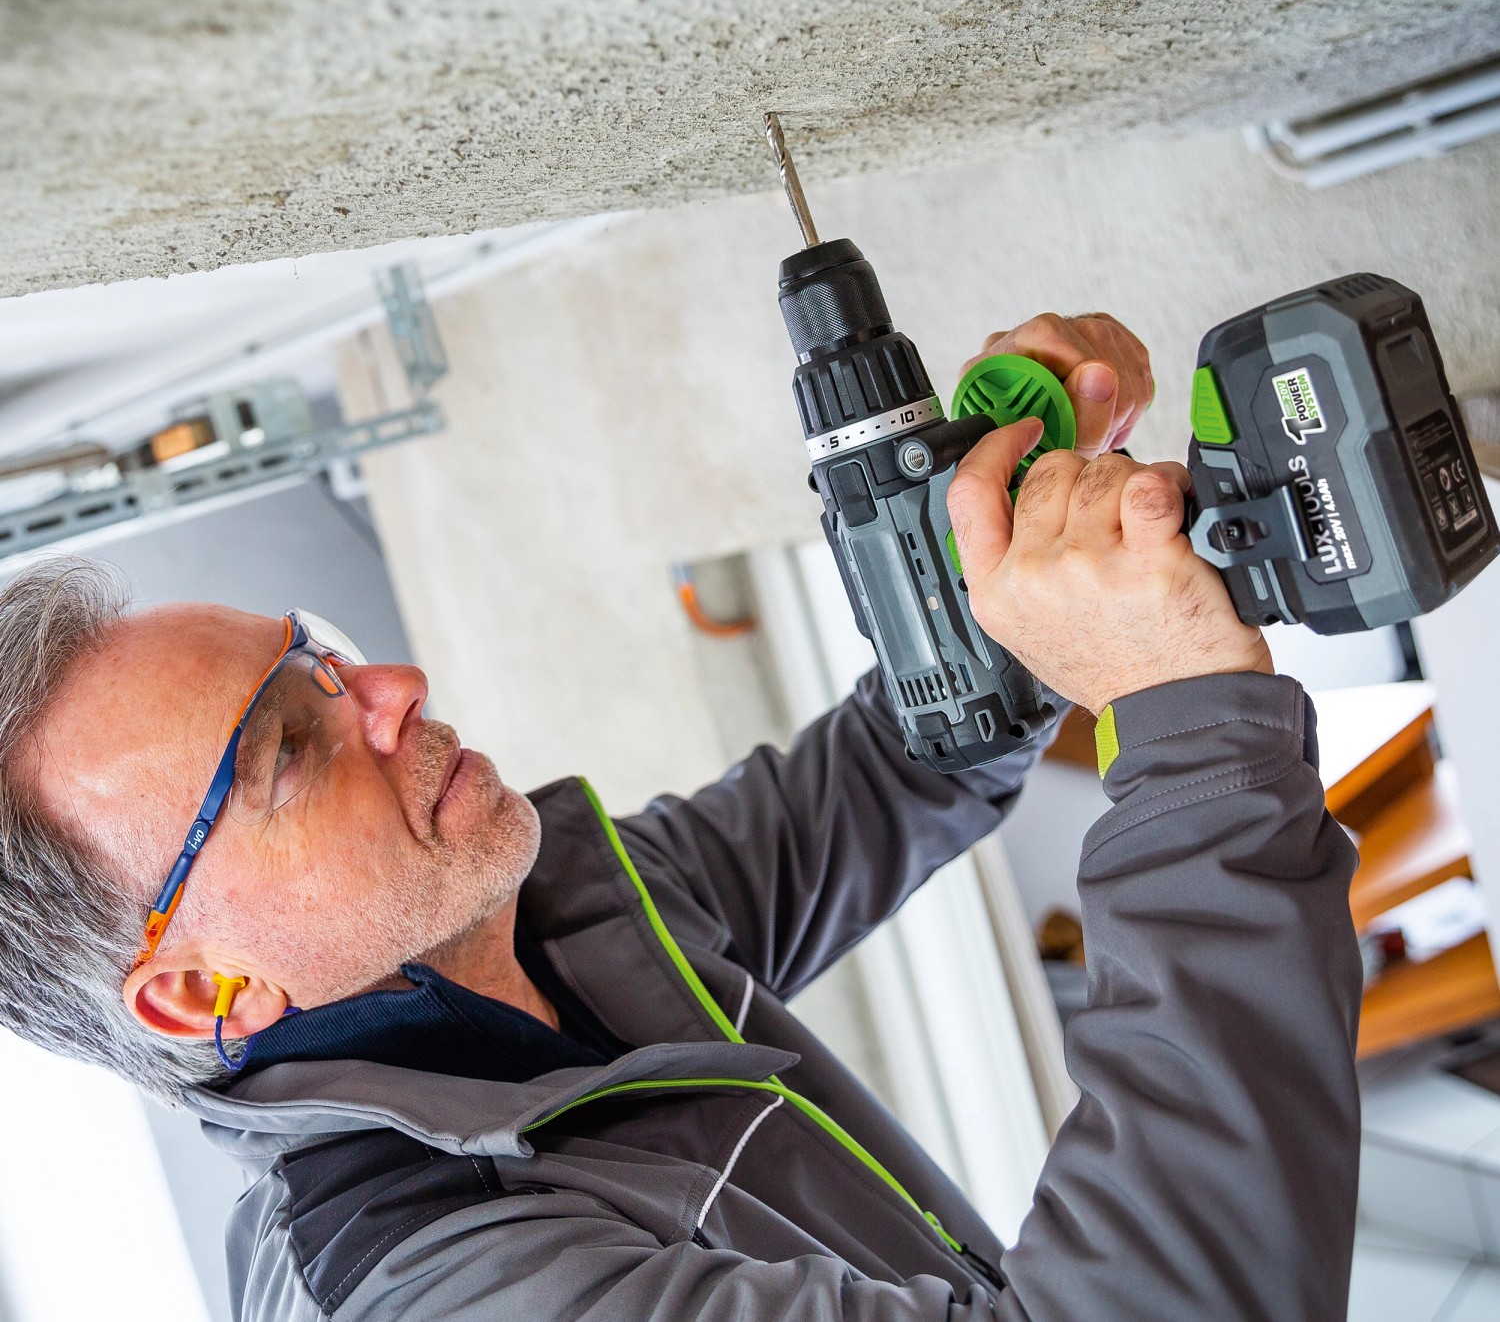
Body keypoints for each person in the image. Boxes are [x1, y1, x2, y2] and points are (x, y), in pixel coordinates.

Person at [0, 313, 1360, 1321]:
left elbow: (892, 775)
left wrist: (984, 565)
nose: (394, 691)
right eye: (290, 745)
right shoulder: (450, 1292)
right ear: (197, 993)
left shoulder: (539, 929)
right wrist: (1186, 717)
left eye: (325, 656)